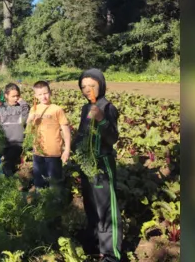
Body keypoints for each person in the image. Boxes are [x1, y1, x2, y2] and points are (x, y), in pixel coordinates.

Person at [73, 68, 122, 262]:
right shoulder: (86, 108)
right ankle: (95, 243)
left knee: (106, 208)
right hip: (87, 163)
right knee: (91, 204)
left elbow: (112, 138)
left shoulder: (107, 107)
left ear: (101, 85)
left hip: (102, 164)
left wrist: (101, 119)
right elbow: (82, 133)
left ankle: (111, 254)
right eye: (83, 86)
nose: (87, 90)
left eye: (91, 85)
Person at [28, 81, 72, 190]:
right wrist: (31, 119)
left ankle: (55, 204)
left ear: (50, 92)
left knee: (54, 183)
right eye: (40, 94)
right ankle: (41, 204)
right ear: (35, 96)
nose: (43, 96)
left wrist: (67, 150)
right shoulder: (34, 109)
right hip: (38, 151)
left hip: (53, 152)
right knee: (39, 182)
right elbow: (28, 128)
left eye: (45, 93)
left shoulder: (57, 109)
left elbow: (66, 131)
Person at [0, 83, 30, 178]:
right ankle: (8, 178)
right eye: (13, 96)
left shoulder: (21, 107)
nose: (16, 98)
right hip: (6, 141)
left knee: (9, 162)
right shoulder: (2, 108)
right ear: (6, 95)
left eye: (18, 96)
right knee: (8, 161)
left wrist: (23, 102)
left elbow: (26, 116)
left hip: (18, 141)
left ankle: (9, 178)